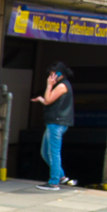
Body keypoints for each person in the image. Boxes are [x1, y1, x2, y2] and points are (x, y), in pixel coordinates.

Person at [31, 62, 76, 190]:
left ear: (59, 74)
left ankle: (54, 182)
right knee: (45, 152)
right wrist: (40, 99)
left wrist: (49, 85)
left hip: (57, 124)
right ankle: (61, 176)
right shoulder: (61, 85)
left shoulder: (62, 86)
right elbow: (47, 100)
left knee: (53, 153)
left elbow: (49, 99)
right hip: (53, 123)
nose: (50, 77)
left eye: (52, 74)